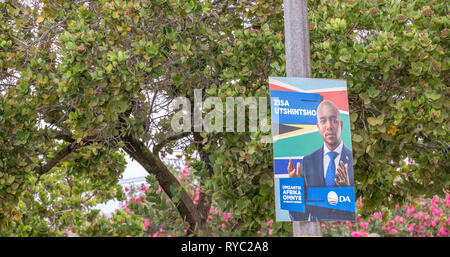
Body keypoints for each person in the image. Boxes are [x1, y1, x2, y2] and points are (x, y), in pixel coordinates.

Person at [288, 100, 355, 221]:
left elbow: (362, 211)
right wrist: (295, 189)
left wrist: (347, 190)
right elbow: (299, 217)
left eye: (334, 120)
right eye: (323, 121)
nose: (329, 126)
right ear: (318, 127)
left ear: (341, 125)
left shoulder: (352, 158)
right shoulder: (308, 162)